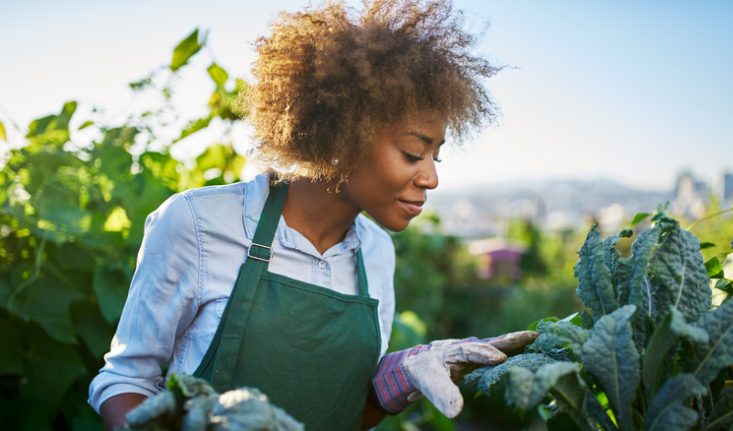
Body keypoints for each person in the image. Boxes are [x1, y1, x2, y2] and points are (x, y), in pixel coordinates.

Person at [88, 0, 537, 429]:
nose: (430, 179)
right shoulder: (199, 224)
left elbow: (342, 414)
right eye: (412, 152)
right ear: (342, 135)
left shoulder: (376, 253)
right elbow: (125, 381)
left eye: (437, 156)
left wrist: (401, 381)